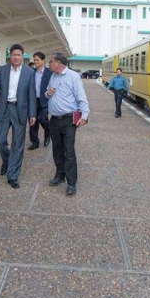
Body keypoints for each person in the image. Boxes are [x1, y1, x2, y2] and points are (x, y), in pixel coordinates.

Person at [0, 44, 36, 189]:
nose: (16, 57)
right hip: (4, 109)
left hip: (20, 110)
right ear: (10, 56)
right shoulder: (3, 70)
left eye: (18, 55)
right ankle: (7, 160)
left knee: (18, 144)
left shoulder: (29, 72)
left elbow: (31, 94)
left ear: (23, 56)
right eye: (14, 55)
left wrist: (32, 114)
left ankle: (13, 175)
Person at [46, 53, 90, 196]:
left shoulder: (73, 76)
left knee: (68, 150)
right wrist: (48, 93)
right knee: (57, 149)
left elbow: (81, 97)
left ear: (58, 63)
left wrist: (84, 116)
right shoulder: (53, 76)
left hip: (68, 120)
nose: (49, 64)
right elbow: (47, 94)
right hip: (54, 119)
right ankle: (60, 175)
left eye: (51, 62)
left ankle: (71, 183)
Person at [28, 51, 52, 149]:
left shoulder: (49, 72)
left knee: (43, 119)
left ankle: (48, 132)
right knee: (32, 122)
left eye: (37, 60)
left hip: (45, 100)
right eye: (34, 60)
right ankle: (35, 142)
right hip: (33, 101)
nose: (35, 62)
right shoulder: (31, 72)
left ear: (43, 60)